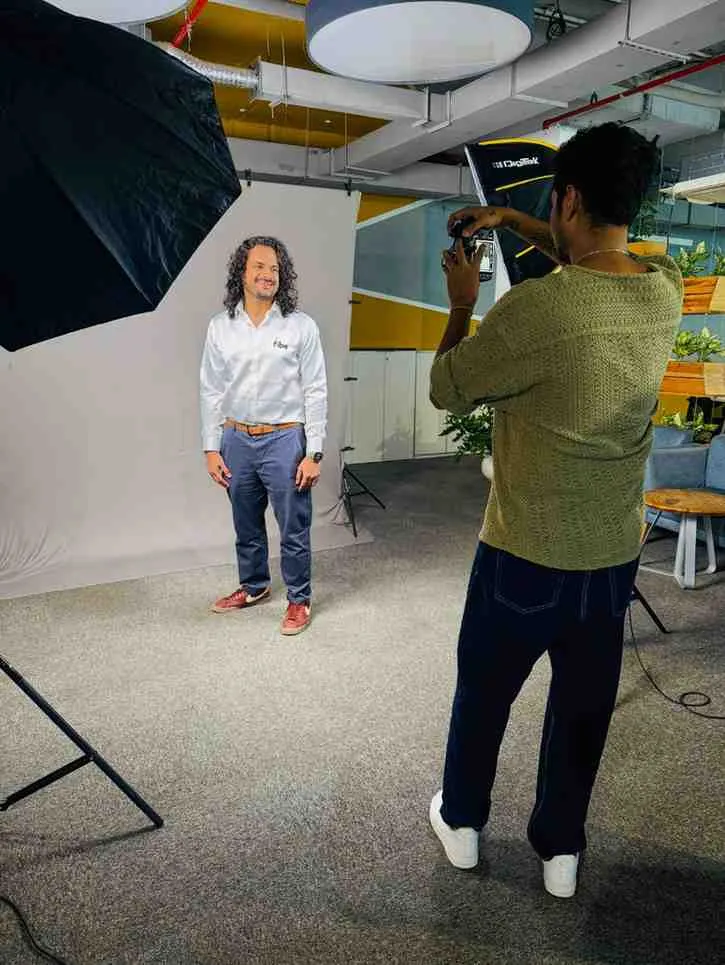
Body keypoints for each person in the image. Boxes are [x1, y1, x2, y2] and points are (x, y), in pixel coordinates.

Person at [428, 123, 683, 898]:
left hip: (522, 554)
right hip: (609, 562)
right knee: (581, 711)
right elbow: (597, 254)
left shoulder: (535, 309)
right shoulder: (663, 289)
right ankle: (560, 850)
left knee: (483, 695)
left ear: (567, 198)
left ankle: (462, 823)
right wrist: (513, 220)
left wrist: (461, 303)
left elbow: (446, 386)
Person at [200, 236, 327, 637]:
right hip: (236, 440)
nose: (268, 274)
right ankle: (254, 586)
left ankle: (299, 599)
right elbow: (211, 390)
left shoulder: (300, 326)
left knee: (293, 526)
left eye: (274, 268)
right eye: (259, 266)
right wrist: (211, 448)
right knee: (246, 523)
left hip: (285, 439)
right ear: (242, 272)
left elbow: (316, 389)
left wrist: (314, 453)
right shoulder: (221, 327)